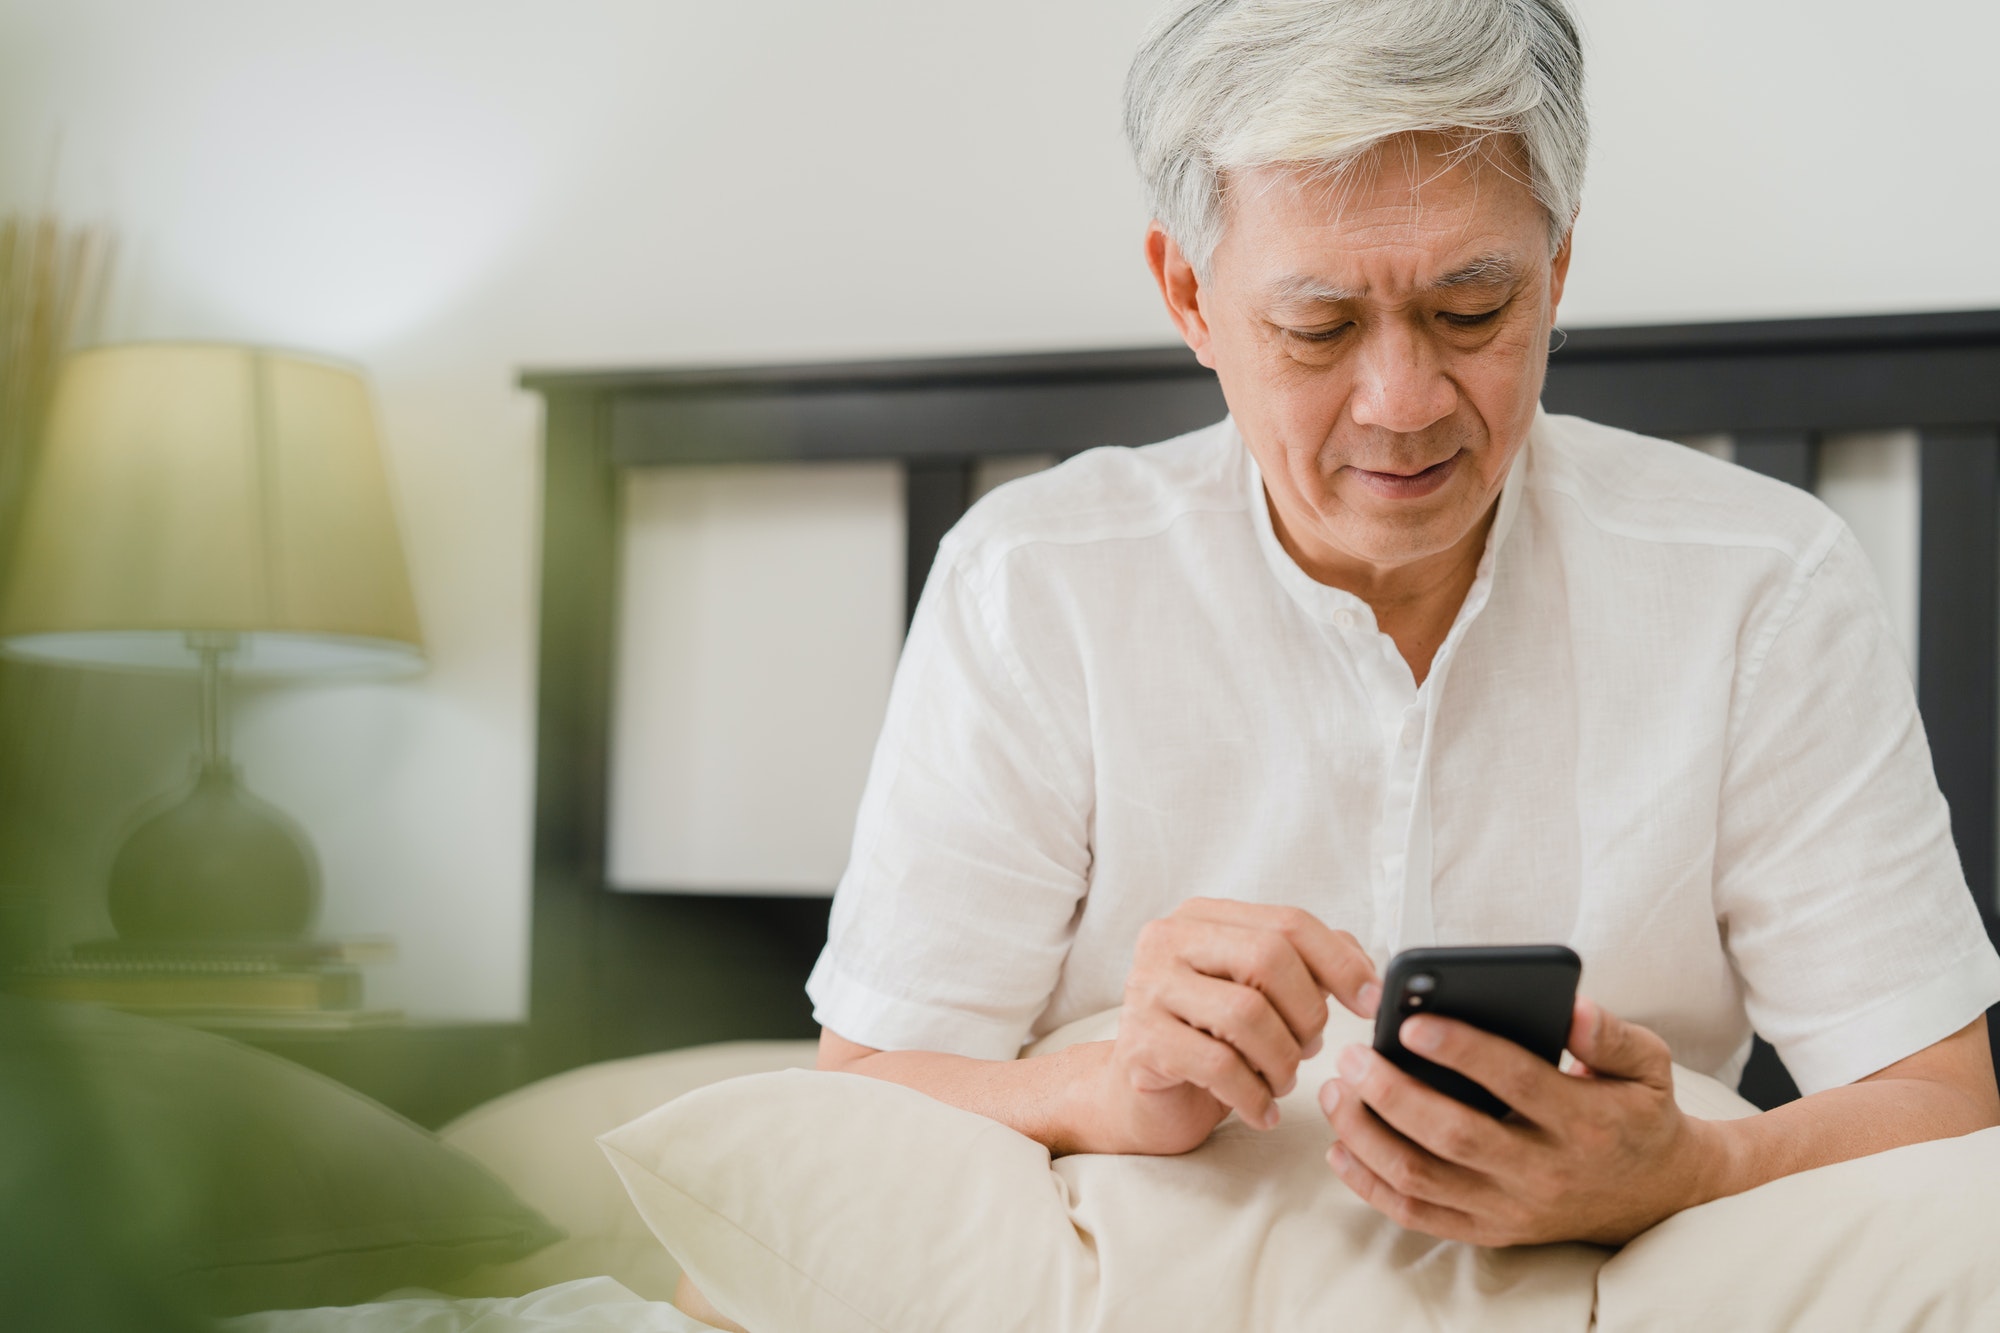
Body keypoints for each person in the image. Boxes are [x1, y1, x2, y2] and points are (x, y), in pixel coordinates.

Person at [802, 0, 2000, 1251]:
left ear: (1557, 268)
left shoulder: (1761, 584)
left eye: (1472, 311)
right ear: (1189, 295)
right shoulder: (1033, 584)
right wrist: (1102, 1087)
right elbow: (863, 1093)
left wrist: (1690, 1167)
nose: (1401, 403)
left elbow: (1937, 1103)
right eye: (1316, 327)